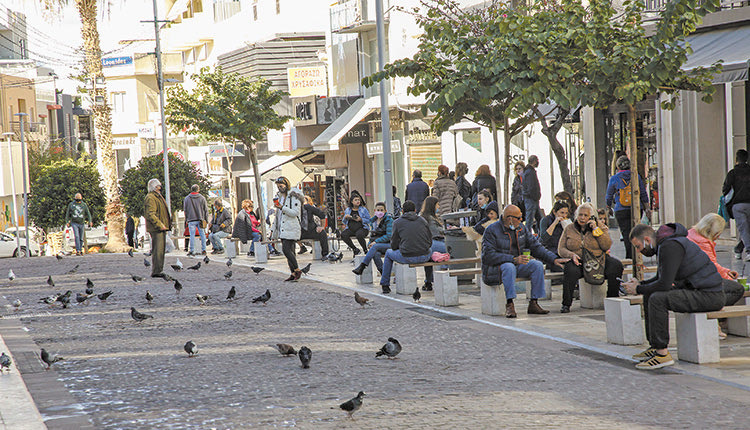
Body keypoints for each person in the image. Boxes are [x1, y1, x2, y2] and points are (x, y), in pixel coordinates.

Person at [623, 223, 726, 370]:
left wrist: (638, 288)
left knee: (657, 299)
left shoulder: (670, 246)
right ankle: (654, 346)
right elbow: (661, 278)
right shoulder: (667, 243)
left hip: (709, 295)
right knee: (650, 293)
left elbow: (664, 284)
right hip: (698, 290)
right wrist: (641, 284)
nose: (640, 251)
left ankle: (662, 354)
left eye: (638, 246)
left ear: (647, 239)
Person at [482, 204, 567, 317]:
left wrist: (554, 259)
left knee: (536, 265)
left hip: (517, 264)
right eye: (519, 218)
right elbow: (488, 255)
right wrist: (513, 259)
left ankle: (534, 302)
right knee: (509, 266)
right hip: (496, 268)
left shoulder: (521, 228)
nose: (521, 220)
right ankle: (509, 303)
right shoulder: (491, 230)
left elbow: (536, 247)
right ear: (509, 218)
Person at [687, 213, 746, 339]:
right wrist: (728, 276)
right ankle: (718, 318)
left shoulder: (692, 234)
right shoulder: (702, 242)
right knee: (737, 289)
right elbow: (711, 266)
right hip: (700, 282)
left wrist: (726, 271)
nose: (718, 236)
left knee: (730, 287)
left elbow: (711, 265)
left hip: (695, 279)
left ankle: (720, 319)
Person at [557, 203, 624, 313]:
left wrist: (596, 229)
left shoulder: (599, 227)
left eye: (585, 215)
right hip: (579, 261)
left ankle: (612, 299)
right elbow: (561, 249)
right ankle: (566, 304)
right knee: (570, 270)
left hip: (598, 259)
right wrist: (571, 255)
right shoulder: (570, 228)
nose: (582, 218)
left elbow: (606, 245)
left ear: (592, 217)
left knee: (616, 266)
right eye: (580, 215)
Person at [378, 200, 433, 294]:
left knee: (388, 253)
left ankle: (385, 285)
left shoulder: (397, 222)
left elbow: (394, 245)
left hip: (407, 256)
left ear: (402, 211)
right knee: (429, 250)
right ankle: (428, 283)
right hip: (424, 256)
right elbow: (429, 241)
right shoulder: (423, 220)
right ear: (415, 210)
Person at [605, 155, 649, 260]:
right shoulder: (636, 176)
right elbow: (643, 193)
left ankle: (629, 256)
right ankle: (637, 254)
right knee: (636, 231)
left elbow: (609, 195)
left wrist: (609, 207)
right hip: (636, 208)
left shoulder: (614, 178)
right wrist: (647, 208)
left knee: (626, 233)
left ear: (618, 167)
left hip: (621, 209)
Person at [272, 177, 304, 281]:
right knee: (290, 252)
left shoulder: (294, 197)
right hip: (283, 228)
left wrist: (282, 207)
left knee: (286, 250)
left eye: (281, 186)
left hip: (291, 227)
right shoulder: (280, 197)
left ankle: (297, 270)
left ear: (286, 185)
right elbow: (278, 215)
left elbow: (295, 213)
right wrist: (274, 230)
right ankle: (293, 273)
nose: (279, 188)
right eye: (278, 186)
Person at [352, 202, 394, 276]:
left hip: (389, 244)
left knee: (375, 247)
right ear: (375, 210)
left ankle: (362, 266)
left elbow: (389, 236)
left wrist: (375, 242)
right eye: (378, 210)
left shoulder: (389, 220)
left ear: (385, 211)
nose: (380, 212)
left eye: (382, 210)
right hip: (378, 246)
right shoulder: (373, 221)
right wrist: (369, 244)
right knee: (375, 254)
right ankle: (383, 273)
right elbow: (372, 236)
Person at [723, 149, 750, 260]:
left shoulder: (732, 173)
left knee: (743, 228)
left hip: (738, 205)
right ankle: (738, 249)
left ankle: (748, 250)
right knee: (746, 228)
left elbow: (725, 189)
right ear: (747, 159)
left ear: (736, 159)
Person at [143, 179, 171, 277]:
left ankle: (158, 270)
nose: (160, 187)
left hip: (160, 227)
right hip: (157, 228)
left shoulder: (156, 197)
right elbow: (150, 214)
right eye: (159, 185)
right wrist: (160, 225)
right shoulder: (151, 198)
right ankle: (156, 271)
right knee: (158, 250)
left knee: (160, 249)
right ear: (155, 187)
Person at [420, 196, 448, 291]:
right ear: (432, 206)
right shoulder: (429, 219)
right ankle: (446, 272)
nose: (439, 207)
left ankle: (428, 281)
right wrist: (447, 229)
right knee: (448, 249)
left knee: (429, 260)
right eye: (437, 204)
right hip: (431, 243)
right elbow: (436, 232)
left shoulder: (424, 216)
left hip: (426, 244)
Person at [539, 201, 571, 271]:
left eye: (566, 213)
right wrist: (554, 223)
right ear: (554, 212)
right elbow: (544, 238)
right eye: (562, 213)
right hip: (549, 250)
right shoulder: (545, 220)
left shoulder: (567, 222)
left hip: (562, 251)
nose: (564, 216)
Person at [183, 184, 209, 256]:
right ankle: (204, 249)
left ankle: (192, 250)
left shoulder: (187, 198)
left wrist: (186, 219)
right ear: (198, 190)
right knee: (202, 235)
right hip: (200, 219)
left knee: (192, 235)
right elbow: (206, 210)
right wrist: (206, 219)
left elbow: (185, 210)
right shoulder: (202, 198)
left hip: (191, 219)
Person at [522, 155, 542, 233]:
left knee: (538, 218)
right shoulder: (530, 172)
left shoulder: (528, 171)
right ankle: (528, 234)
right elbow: (531, 186)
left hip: (532, 198)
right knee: (530, 219)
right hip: (531, 198)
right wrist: (535, 196)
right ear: (534, 161)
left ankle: (540, 233)